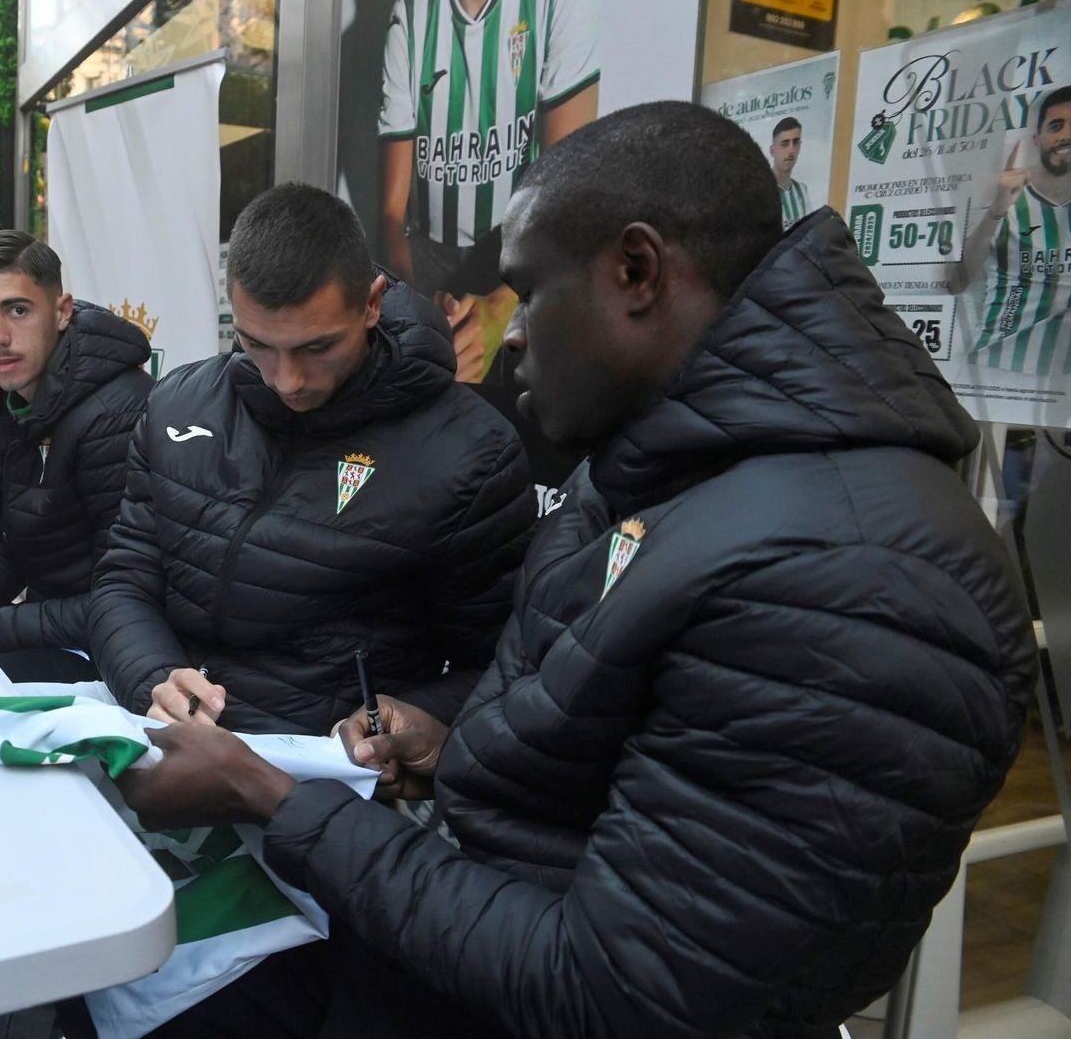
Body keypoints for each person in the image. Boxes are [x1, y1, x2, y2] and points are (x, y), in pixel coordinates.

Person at [113, 102, 1037, 1038]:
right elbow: (590, 758)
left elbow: (618, 991)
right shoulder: (667, 475)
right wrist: (448, 740)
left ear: (637, 271)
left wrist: (269, 795)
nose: (511, 335)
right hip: (429, 948)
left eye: (529, 292)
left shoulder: (853, 577)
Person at [87, 182, 536, 736]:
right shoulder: (178, 401)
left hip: (323, 768)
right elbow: (124, 579)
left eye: (317, 347)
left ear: (371, 303)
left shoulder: (472, 452)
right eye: (257, 344)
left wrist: (399, 726)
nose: (288, 380)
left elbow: (496, 670)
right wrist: (151, 680)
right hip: (159, 736)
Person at [0, 230, 152, 681]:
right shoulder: (7, 398)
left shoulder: (116, 413)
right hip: (56, 631)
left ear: (62, 311)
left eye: (17, 310)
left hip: (120, 657)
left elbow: (129, 597)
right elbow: (7, 550)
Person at [376, 0, 598, 383]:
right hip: (429, 259)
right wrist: (411, 308)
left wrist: (505, 306)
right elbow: (391, 214)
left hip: (522, 252)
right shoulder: (410, 10)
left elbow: (569, 191)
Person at [950, 84, 1071, 376]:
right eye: (1056, 126)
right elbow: (956, 282)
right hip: (994, 368)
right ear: (1037, 139)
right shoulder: (1006, 198)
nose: (1066, 135)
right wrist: (996, 211)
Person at [770, 116, 810, 229]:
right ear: (772, 151)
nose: (791, 150)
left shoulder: (802, 190)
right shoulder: (759, 190)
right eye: (785, 144)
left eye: (795, 143)